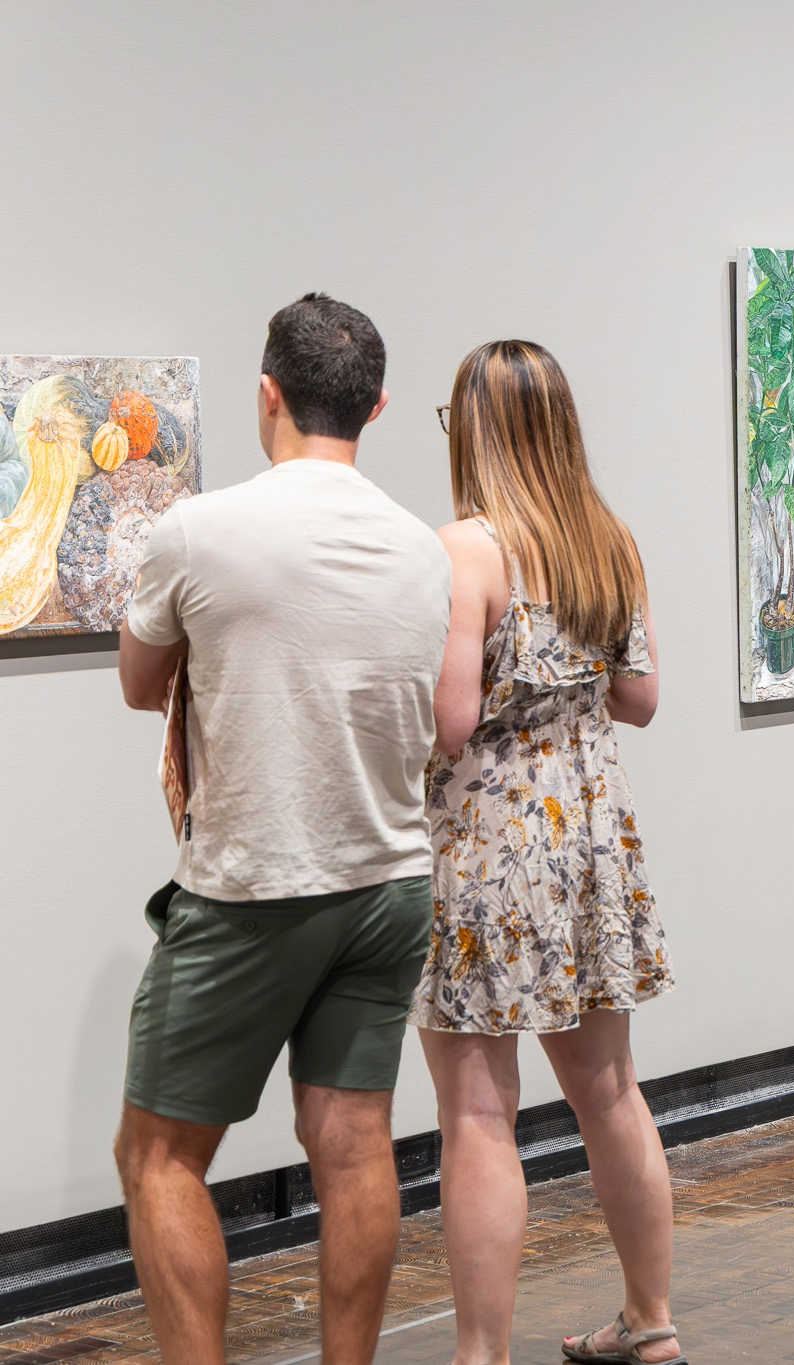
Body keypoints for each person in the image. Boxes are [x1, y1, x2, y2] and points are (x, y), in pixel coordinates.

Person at [114, 294, 451, 1365]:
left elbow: (140, 684)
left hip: (253, 886)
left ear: (268, 393)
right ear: (376, 407)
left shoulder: (197, 530)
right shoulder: (421, 548)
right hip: (391, 880)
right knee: (352, 1144)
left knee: (159, 1156)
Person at [413, 340, 680, 1365]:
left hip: (489, 851)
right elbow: (640, 699)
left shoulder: (464, 551)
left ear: (474, 430)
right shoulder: (608, 540)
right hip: (592, 842)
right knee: (611, 1094)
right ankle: (651, 1321)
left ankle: (481, 1355)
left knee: (479, 1115)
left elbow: (449, 723)